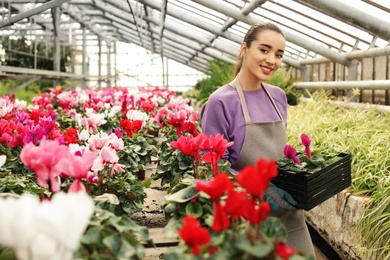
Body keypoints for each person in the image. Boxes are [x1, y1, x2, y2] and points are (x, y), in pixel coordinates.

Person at [200, 22, 315, 256]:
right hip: (246, 217)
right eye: (264, 50)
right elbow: (211, 168)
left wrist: (300, 176)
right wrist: (258, 191)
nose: (272, 60)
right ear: (244, 49)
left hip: (288, 214)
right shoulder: (220, 101)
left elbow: (278, 152)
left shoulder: (278, 97)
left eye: (278, 54)